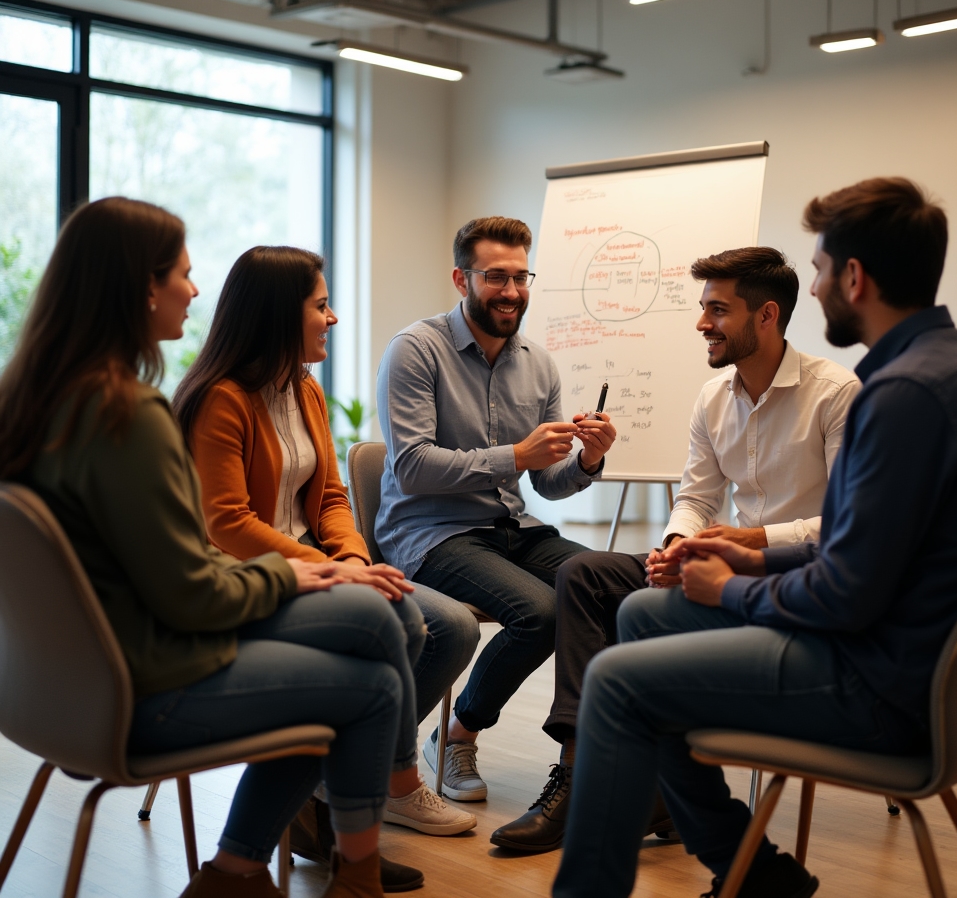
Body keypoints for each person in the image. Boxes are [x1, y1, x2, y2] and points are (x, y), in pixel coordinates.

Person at [552, 178, 957, 898]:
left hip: (885, 682)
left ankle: (675, 876)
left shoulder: (897, 396)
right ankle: (756, 878)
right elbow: (872, 548)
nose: (818, 285)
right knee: (641, 613)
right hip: (914, 654)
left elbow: (846, 593)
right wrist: (752, 554)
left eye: (820, 269)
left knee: (620, 681)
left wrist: (732, 585)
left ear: (854, 278)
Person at [0, 197, 426, 898]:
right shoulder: (127, 413)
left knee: (372, 623)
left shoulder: (38, 399)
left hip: (52, 692)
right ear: (143, 287)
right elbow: (192, 593)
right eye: (184, 274)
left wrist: (316, 570)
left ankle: (241, 871)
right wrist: (293, 578)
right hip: (140, 684)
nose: (195, 291)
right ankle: (339, 878)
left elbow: (163, 574)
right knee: (373, 680)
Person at [492, 246, 860, 852]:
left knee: (634, 610)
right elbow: (695, 500)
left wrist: (752, 539)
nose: (701, 324)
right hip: (721, 557)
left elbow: (848, 526)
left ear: (766, 316)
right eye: (702, 308)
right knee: (584, 574)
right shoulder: (713, 398)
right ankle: (582, 768)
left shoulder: (836, 394)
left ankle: (616, 789)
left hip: (793, 572)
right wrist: (674, 547)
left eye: (717, 310)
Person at [172, 247, 479, 879]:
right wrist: (343, 575)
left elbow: (332, 497)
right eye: (320, 305)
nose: (333, 318)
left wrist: (353, 558)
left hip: (319, 561)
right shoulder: (221, 399)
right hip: (249, 572)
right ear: (280, 315)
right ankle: (388, 789)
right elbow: (226, 523)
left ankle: (335, 786)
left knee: (452, 625)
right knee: (400, 622)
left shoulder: (304, 389)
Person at [375, 216, 617, 802]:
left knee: (608, 589)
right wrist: (515, 455)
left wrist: (586, 462)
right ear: (462, 279)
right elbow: (412, 465)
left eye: (520, 276)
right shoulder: (415, 350)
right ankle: (456, 737)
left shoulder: (539, 363)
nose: (510, 291)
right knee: (541, 612)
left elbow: (549, 484)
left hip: (512, 526)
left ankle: (593, 761)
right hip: (430, 531)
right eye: (495, 277)